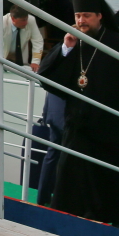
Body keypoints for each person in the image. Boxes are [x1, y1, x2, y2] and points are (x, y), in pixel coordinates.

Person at [38, 0, 119, 229]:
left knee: (110, 179)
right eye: (78, 16)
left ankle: (118, 225)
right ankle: (69, 225)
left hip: (110, 127)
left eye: (86, 16)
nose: (81, 21)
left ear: (99, 16)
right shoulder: (73, 41)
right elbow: (47, 77)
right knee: (69, 173)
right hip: (78, 125)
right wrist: (66, 47)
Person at [36, 35, 69, 207]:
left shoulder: (60, 51)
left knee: (53, 155)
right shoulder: (64, 51)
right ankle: (54, 201)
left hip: (55, 112)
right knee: (61, 156)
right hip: (62, 115)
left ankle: (46, 199)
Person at [0, 5, 43, 79]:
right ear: (13, 19)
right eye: (23, 20)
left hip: (22, 64)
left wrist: (35, 62)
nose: (26, 22)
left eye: (26, 19)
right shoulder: (1, 23)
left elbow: (38, 41)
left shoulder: (31, 20)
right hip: (3, 63)